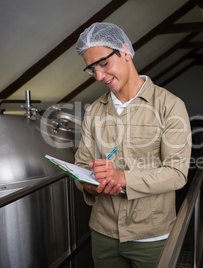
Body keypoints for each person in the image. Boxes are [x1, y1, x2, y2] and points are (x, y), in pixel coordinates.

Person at [73, 22, 192, 268]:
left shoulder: (169, 106)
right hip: (103, 233)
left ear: (125, 51)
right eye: (91, 69)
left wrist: (122, 178)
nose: (99, 76)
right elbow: (81, 166)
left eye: (104, 64)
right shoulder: (94, 111)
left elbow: (177, 174)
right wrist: (93, 186)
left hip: (151, 236)